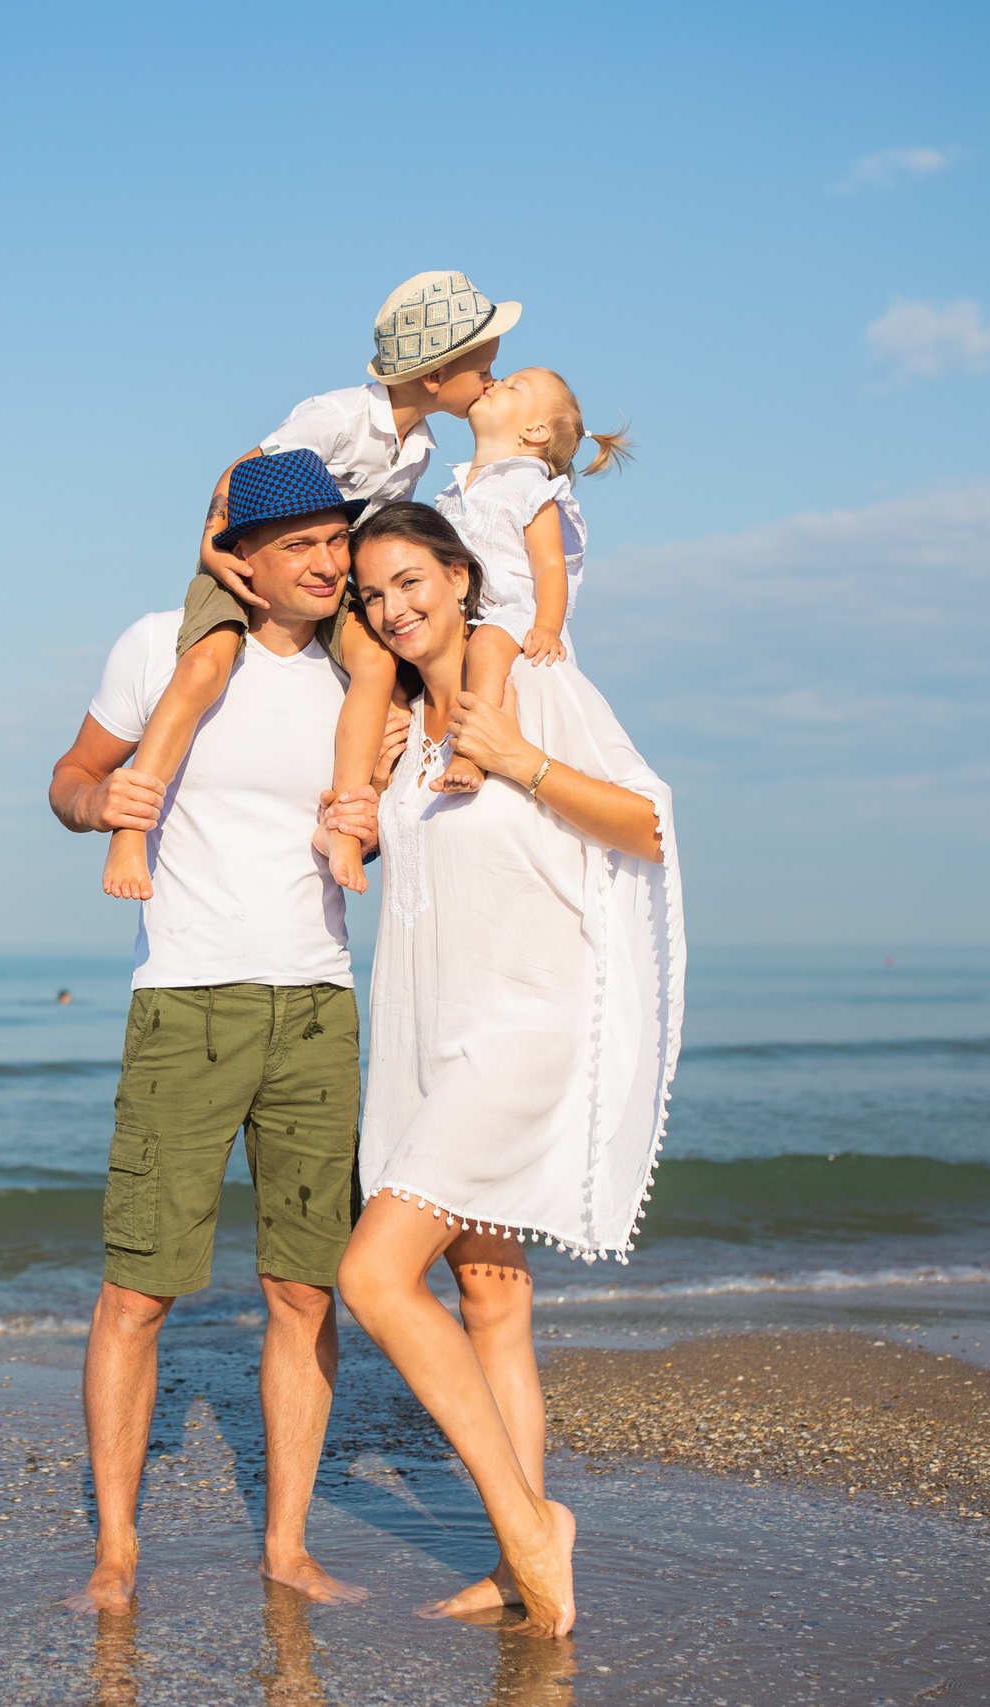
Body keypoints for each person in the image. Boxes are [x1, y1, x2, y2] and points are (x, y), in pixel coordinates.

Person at [324, 502, 685, 1640]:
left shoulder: (534, 684)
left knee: (374, 1277)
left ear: (459, 575)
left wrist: (521, 760)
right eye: (373, 594)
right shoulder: (403, 733)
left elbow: (647, 825)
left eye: (410, 580)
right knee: (489, 1294)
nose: (393, 608)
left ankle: (531, 1523)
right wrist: (366, 808)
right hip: (434, 1042)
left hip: (523, 1030)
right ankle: (517, 1558)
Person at [47, 451, 383, 1617]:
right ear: (241, 559)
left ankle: (285, 1548)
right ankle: (116, 1553)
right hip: (187, 1002)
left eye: (336, 541)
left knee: (304, 1291)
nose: (328, 564)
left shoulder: (360, 671)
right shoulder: (162, 646)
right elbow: (70, 776)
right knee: (138, 1292)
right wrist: (100, 804)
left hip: (319, 1003)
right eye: (301, 546)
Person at [102, 271, 520, 901]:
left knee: (378, 666)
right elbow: (241, 469)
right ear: (435, 376)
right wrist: (213, 545)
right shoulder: (339, 415)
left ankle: (348, 822)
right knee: (204, 666)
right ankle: (132, 828)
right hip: (247, 560)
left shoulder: (419, 446)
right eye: (484, 368)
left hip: (331, 577)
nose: (491, 379)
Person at [434, 368, 632, 793]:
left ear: (535, 431)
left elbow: (550, 566)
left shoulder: (529, 484)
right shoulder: (454, 489)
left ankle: (471, 751)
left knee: (486, 645)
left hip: (517, 614)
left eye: (512, 386)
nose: (494, 382)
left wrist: (547, 626)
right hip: (469, 614)